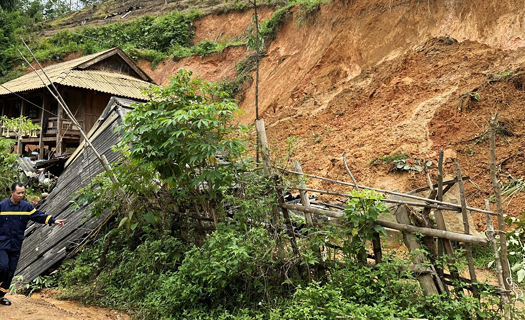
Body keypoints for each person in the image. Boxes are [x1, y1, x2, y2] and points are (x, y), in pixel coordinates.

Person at [0, 182, 65, 306]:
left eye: (23, 193)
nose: (21, 195)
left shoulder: (26, 207)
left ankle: (1, 295)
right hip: (2, 243)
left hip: (16, 244)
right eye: (18, 193)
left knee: (10, 271)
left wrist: (53, 220)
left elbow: (39, 216)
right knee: (3, 267)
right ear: (12, 192)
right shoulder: (2, 206)